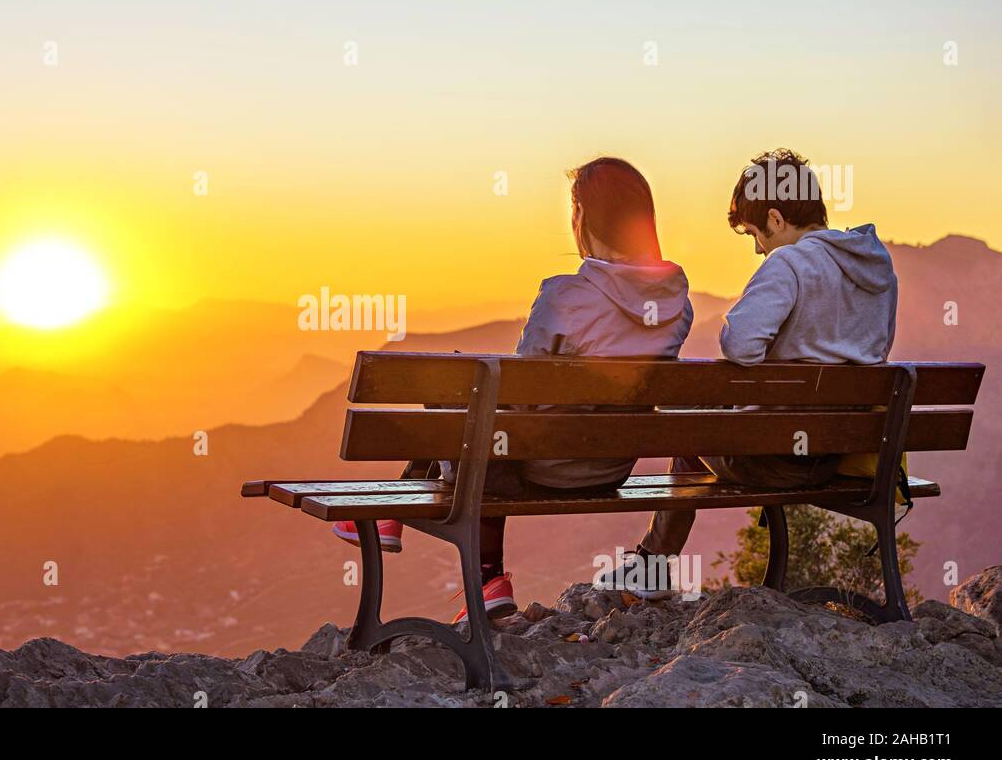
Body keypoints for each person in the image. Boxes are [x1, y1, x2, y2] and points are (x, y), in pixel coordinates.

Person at [331, 157, 694, 621]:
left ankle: (484, 576)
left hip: (543, 468)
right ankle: (407, 523)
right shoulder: (676, 303)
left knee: (467, 394)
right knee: (482, 405)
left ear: (581, 216)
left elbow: (517, 401)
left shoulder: (566, 296)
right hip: (613, 468)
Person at [614, 148, 899, 598]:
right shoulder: (877, 269)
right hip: (840, 457)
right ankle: (651, 565)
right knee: (704, 425)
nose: (757, 248)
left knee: (687, 427)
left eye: (755, 234)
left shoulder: (790, 264)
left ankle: (650, 568)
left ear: (775, 217)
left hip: (778, 459)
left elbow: (740, 345)